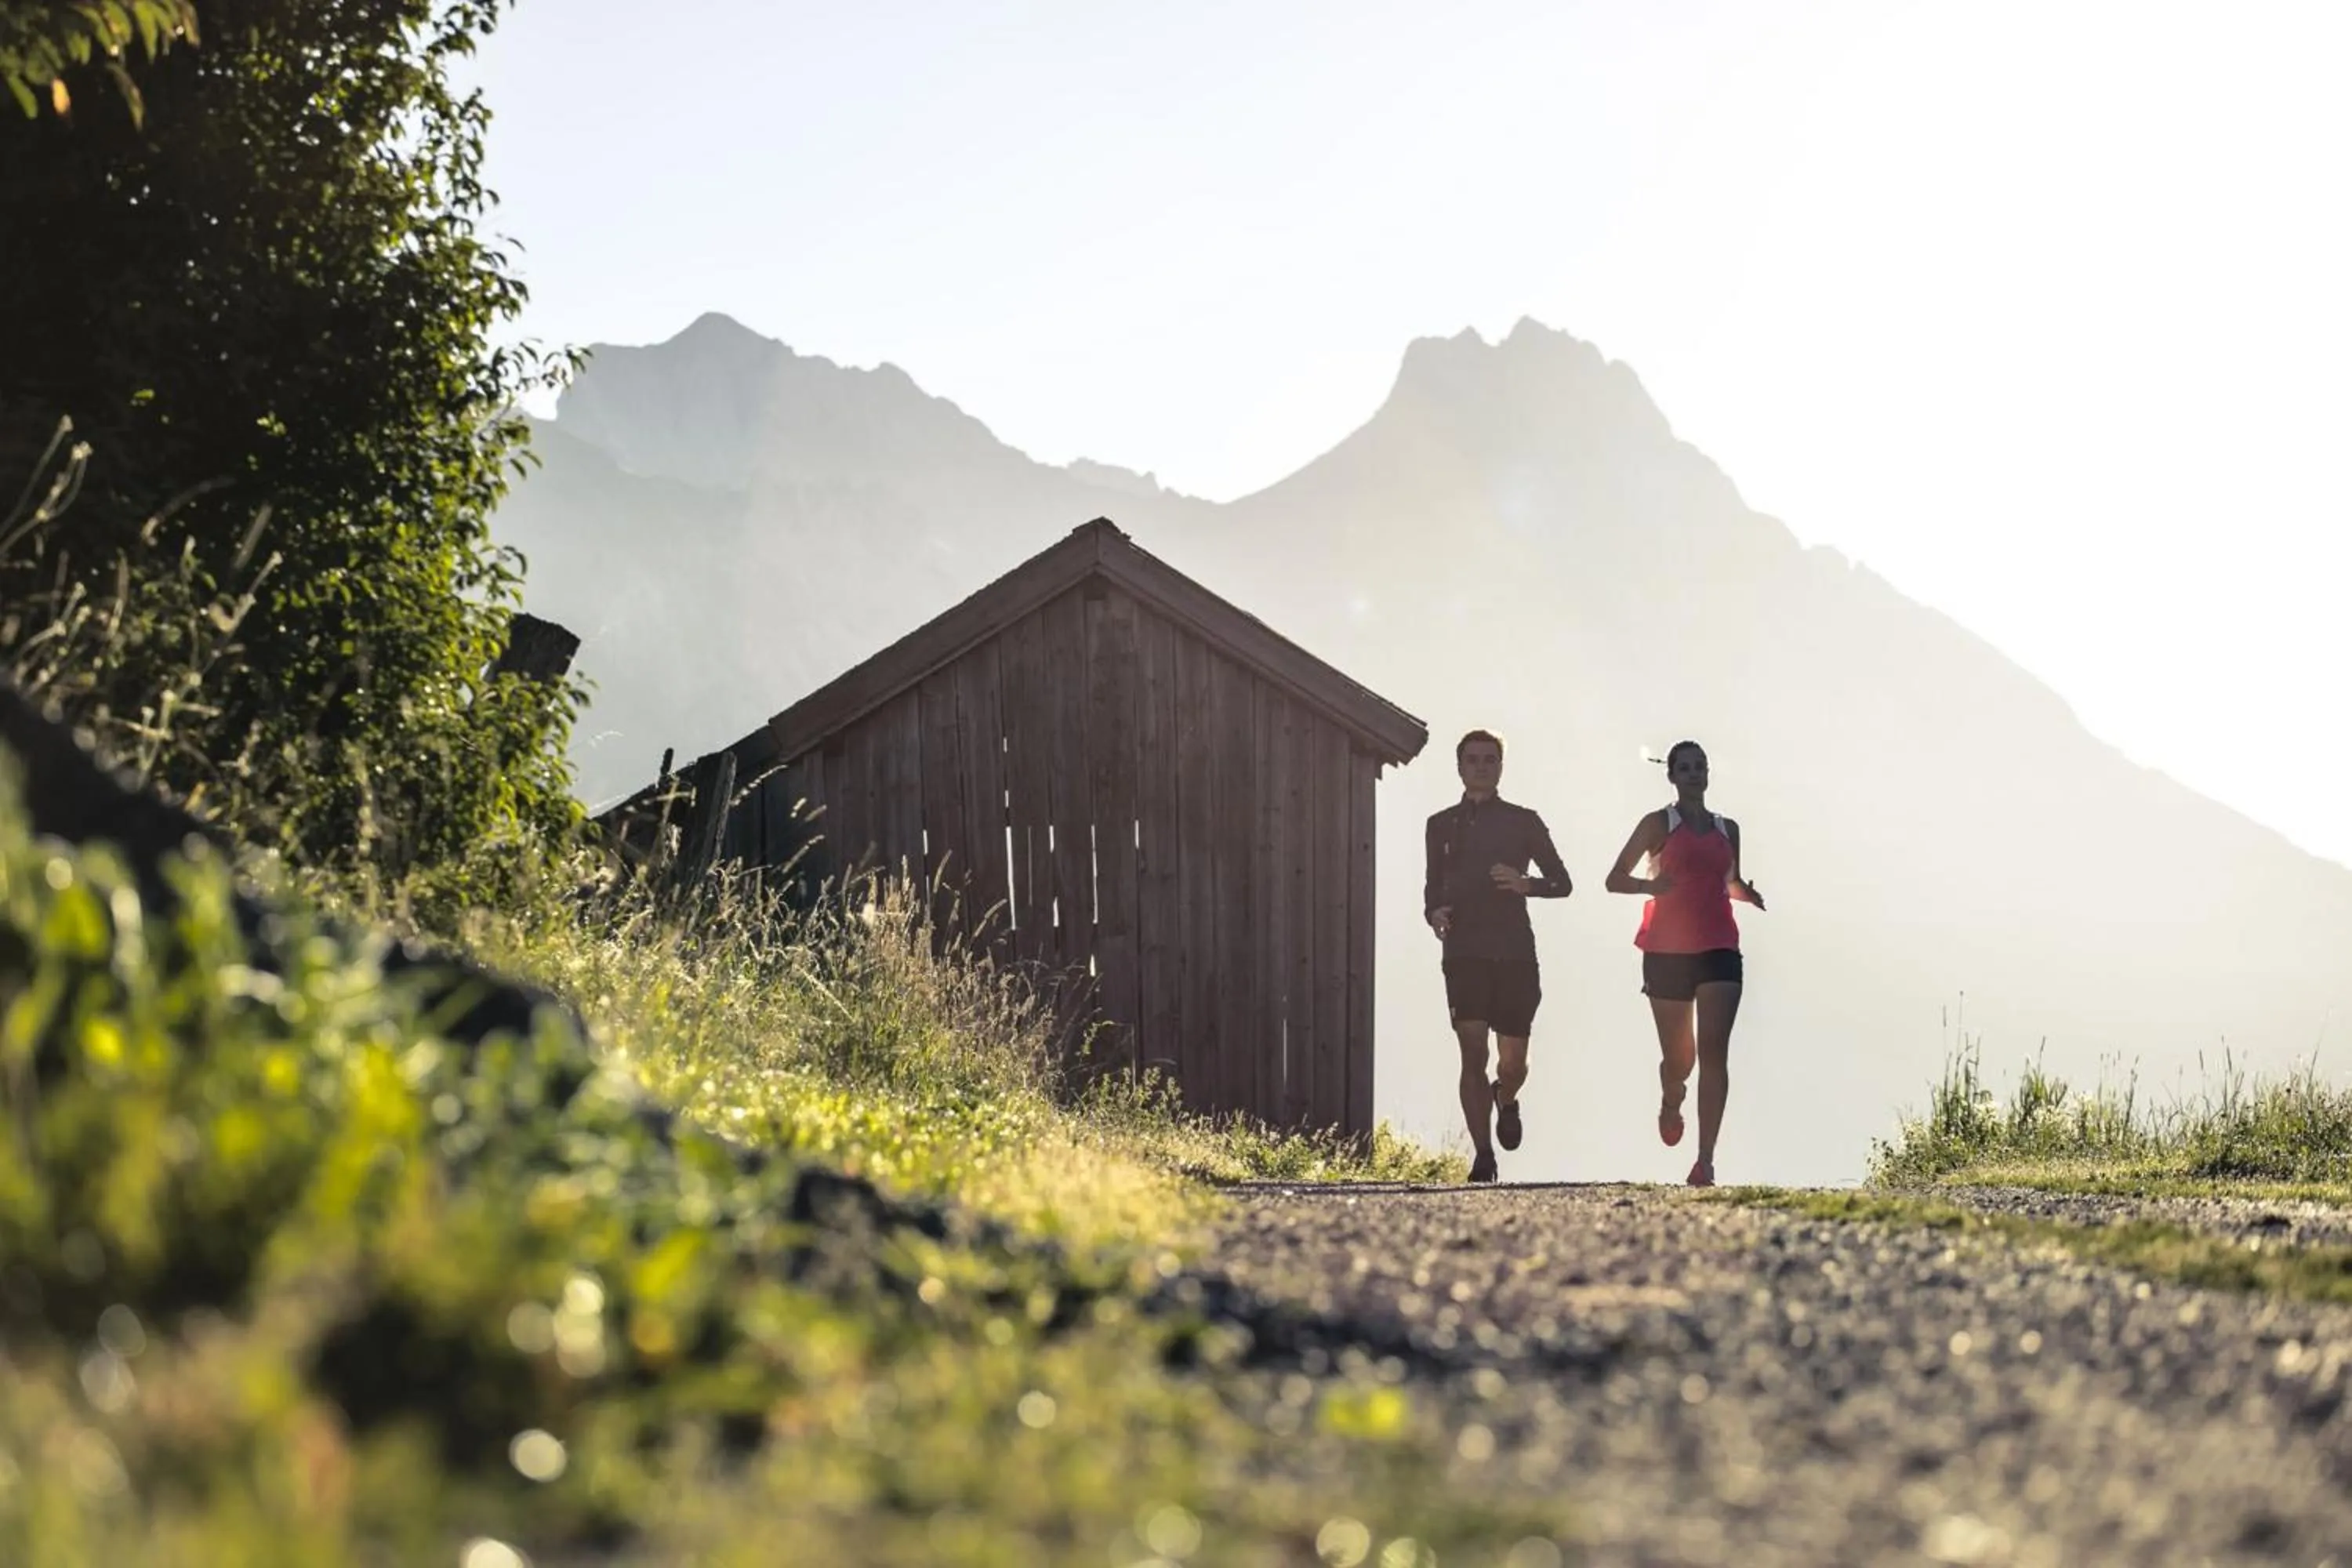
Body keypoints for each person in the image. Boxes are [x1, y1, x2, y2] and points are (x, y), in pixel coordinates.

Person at [1603, 741, 1764, 1186]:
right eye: (1685, 768)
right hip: (1667, 951)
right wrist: (1650, 888)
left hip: (1719, 947)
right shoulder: (1658, 824)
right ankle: (1672, 1097)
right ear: (1671, 776)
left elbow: (1726, 882)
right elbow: (1613, 880)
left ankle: (1706, 1161)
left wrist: (1745, 893)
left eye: (1700, 767)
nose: (1694, 774)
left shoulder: (1727, 828)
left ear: (1708, 774)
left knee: (1715, 1050)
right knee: (1682, 1059)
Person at [1424, 729, 1573, 1184]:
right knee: (1472, 1054)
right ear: (1460, 767)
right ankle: (1483, 1156)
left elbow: (1563, 881)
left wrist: (1527, 883)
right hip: (1464, 951)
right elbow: (1432, 885)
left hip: (1513, 953)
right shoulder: (1440, 824)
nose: (1482, 767)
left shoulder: (1524, 821)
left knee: (1512, 1062)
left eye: (1490, 760)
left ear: (1501, 767)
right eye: (1473, 760)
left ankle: (1506, 1098)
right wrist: (1434, 912)